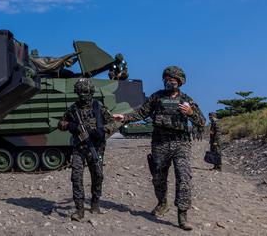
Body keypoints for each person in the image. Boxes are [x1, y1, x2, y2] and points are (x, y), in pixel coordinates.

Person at [114, 66, 205, 231]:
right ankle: (162, 203)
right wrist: (125, 117)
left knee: (184, 177)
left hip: (181, 144)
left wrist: (191, 113)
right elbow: (142, 113)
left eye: (174, 79)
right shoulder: (156, 97)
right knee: (158, 178)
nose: (170, 82)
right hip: (160, 144)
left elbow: (201, 121)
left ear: (179, 82)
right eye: (168, 79)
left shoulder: (186, 100)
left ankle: (182, 215)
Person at [58, 78, 118, 221]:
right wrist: (72, 126)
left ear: (91, 92)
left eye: (85, 92)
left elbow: (113, 124)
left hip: (96, 148)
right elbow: (60, 123)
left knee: (98, 175)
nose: (83, 95)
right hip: (79, 148)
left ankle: (95, 203)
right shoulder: (73, 109)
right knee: (76, 177)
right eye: (80, 92)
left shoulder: (99, 107)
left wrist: (102, 131)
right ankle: (79, 210)